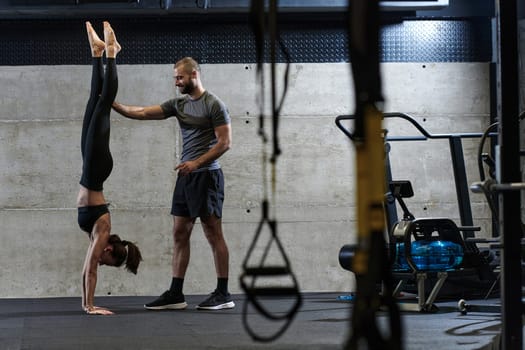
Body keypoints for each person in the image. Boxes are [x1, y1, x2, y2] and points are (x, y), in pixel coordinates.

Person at [112, 57, 234, 311]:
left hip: (207, 177)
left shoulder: (214, 105)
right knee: (180, 233)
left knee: (213, 234)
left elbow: (225, 143)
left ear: (194, 75)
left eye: (180, 77)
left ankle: (223, 293)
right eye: (175, 78)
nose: (176, 82)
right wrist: (111, 104)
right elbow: (143, 113)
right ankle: (176, 293)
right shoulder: (178, 105)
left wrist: (196, 163)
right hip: (186, 177)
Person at [77, 21, 142, 315]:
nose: (101, 262)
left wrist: (85, 303)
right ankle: (113, 54)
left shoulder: (97, 236)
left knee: (94, 102)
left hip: (89, 169)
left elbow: (87, 267)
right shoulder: (102, 231)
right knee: (103, 106)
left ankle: (96, 53)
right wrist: (89, 306)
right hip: (97, 169)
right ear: (108, 251)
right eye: (108, 261)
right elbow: (90, 269)